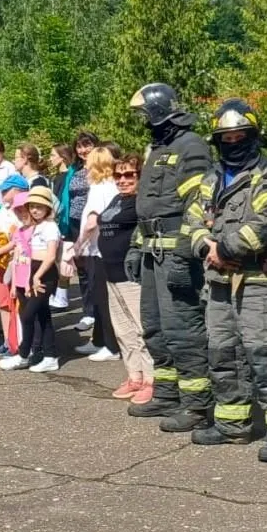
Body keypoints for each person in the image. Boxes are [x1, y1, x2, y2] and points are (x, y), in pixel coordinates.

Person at [184, 99, 267, 462]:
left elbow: (265, 225)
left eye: (240, 136)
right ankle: (232, 424)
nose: (233, 142)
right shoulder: (211, 178)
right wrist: (207, 248)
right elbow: (190, 220)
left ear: (253, 136)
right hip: (218, 282)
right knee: (223, 353)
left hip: (258, 283)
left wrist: (224, 247)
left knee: (265, 354)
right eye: (226, 137)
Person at [124, 83, 214, 431]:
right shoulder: (158, 149)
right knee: (155, 328)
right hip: (150, 252)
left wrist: (182, 256)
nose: (143, 121)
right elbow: (147, 209)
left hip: (177, 254)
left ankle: (196, 405)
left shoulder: (192, 147)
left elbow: (198, 206)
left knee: (183, 330)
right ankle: (166, 393)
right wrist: (135, 245)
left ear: (159, 111)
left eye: (145, 114)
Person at [99, 153, 154, 404]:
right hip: (110, 273)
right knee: (123, 329)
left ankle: (152, 380)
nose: (122, 180)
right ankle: (135, 376)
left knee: (141, 327)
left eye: (129, 174)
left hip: (132, 274)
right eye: (118, 175)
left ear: (140, 176)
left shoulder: (143, 202)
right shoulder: (116, 200)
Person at [0, 186, 61, 373]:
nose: (35, 210)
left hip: (45, 273)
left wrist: (37, 276)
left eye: (39, 207)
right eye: (32, 206)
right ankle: (50, 356)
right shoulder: (35, 227)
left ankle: (23, 354)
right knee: (43, 316)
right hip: (33, 270)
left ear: (48, 209)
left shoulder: (50, 227)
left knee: (28, 315)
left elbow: (50, 256)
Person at [73, 147, 120, 361]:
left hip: (98, 249)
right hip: (105, 247)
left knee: (102, 299)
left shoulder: (100, 188)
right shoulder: (112, 186)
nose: (85, 166)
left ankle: (111, 346)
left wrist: (79, 243)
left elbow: (92, 221)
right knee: (100, 297)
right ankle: (100, 340)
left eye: (89, 163)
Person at [0, 173, 31, 354]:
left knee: (18, 303)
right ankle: (8, 340)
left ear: (19, 190)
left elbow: (19, 238)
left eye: (7, 189)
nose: (3, 192)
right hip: (1, 262)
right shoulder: (4, 210)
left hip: (17, 262)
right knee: (4, 302)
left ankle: (20, 341)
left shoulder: (24, 209)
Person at [61, 131, 99, 332]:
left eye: (87, 145)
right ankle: (88, 312)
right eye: (80, 146)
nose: (83, 150)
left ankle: (97, 311)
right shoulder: (74, 169)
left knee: (94, 270)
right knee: (82, 271)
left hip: (93, 225)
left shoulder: (101, 168)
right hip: (74, 223)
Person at [49, 144, 75, 311]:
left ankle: (62, 297)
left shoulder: (69, 176)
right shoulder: (56, 177)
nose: (50, 158)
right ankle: (57, 295)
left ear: (62, 156)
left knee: (65, 261)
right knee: (58, 260)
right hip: (57, 222)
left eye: (53, 155)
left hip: (66, 224)